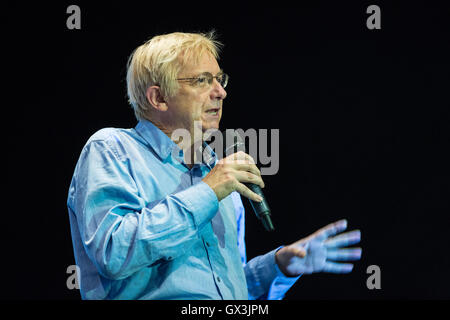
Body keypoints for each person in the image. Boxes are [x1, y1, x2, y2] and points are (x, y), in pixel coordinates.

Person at [67, 31, 362, 300]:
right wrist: (207, 193)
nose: (220, 92)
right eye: (202, 80)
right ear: (158, 97)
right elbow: (113, 253)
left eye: (220, 79)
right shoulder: (113, 149)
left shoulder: (221, 180)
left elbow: (227, 293)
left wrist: (279, 266)